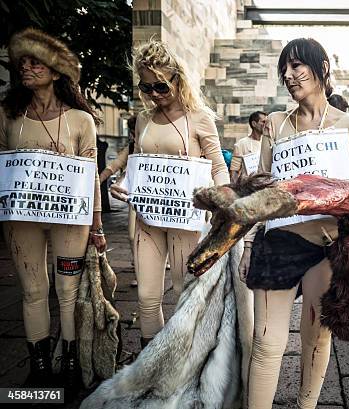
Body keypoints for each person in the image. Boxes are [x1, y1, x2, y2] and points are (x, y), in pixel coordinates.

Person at [241, 38, 349, 408]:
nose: (289, 75)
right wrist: (249, 243)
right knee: (266, 341)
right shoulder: (276, 124)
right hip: (278, 242)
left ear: (322, 67)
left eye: (297, 66)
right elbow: (259, 189)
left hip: (327, 246)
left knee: (317, 338)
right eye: (285, 68)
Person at [0, 28, 106, 394]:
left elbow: (91, 175)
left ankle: (72, 363)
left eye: (35, 61)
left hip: (70, 219)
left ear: (57, 71)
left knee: (68, 290)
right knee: (32, 290)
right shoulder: (8, 115)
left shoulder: (80, 120)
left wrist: (97, 225)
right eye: (22, 62)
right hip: (21, 219)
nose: (26, 68)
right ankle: (40, 369)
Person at [110, 40, 230, 348]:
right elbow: (136, 166)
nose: (154, 95)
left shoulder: (199, 117)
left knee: (183, 292)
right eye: (147, 87)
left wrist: (223, 202)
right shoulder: (143, 119)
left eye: (161, 87)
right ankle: (151, 365)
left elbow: (218, 166)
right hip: (147, 219)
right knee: (147, 296)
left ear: (178, 79)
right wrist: (124, 183)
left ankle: (184, 362)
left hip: (186, 219)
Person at [100, 115, 138, 287]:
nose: (132, 135)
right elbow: (113, 165)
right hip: (136, 197)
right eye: (131, 131)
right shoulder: (131, 147)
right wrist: (97, 181)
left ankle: (159, 260)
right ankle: (140, 271)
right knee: (132, 235)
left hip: (158, 196)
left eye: (135, 130)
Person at [230, 110, 267, 182]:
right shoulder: (241, 144)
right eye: (263, 122)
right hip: (248, 186)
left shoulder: (269, 142)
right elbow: (234, 171)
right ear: (254, 124)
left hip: (267, 185)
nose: (266, 125)